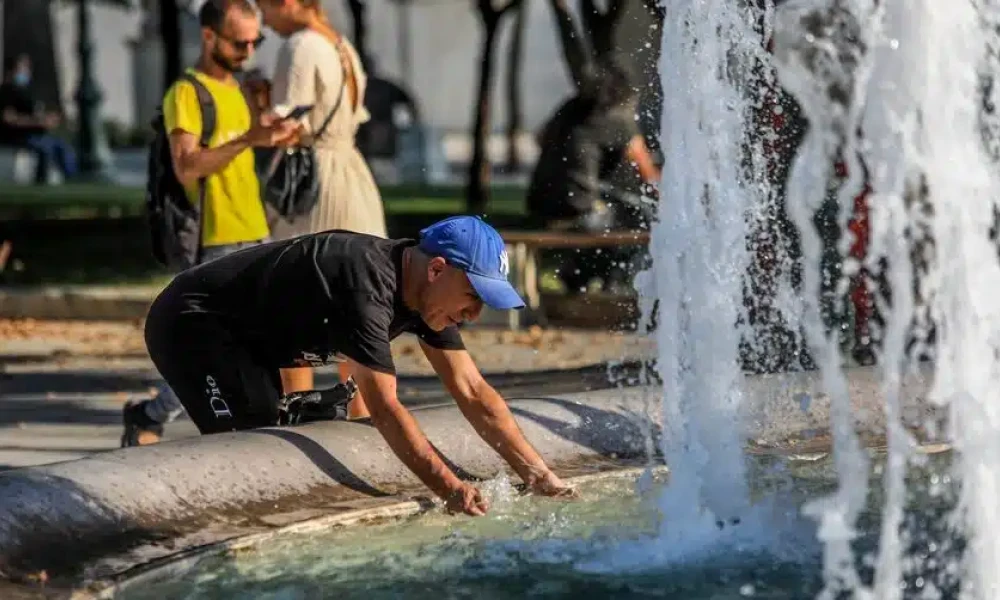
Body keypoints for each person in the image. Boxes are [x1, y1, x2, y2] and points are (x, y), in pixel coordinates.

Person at [125, 216, 576, 515]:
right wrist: (450, 489)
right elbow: (384, 409)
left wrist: (539, 475)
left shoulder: (426, 297)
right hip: (192, 324)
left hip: (249, 339)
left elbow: (473, 391)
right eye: (474, 297)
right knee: (246, 449)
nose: (474, 315)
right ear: (437, 269)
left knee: (272, 441)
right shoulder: (365, 287)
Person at [121, 0, 301, 447]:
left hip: (255, 230)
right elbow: (187, 167)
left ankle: (257, 425)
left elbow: (244, 155)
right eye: (239, 42)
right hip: (214, 240)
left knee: (264, 340)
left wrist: (271, 134)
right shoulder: (187, 93)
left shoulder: (239, 89)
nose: (248, 50)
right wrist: (248, 138)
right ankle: (151, 413)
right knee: (207, 350)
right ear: (209, 37)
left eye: (255, 41)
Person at [255, 0, 389, 415]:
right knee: (359, 300)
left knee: (293, 297)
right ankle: (363, 415)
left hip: (315, 185)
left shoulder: (299, 46)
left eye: (265, 6)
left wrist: (254, 101)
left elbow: (284, 126)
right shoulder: (342, 46)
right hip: (352, 175)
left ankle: (296, 412)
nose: (265, 19)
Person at [526, 0, 660, 293]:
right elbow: (648, 172)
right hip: (576, 208)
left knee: (606, 215)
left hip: (539, 201)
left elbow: (538, 138)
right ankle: (599, 285)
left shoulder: (572, 107)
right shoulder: (618, 117)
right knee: (632, 229)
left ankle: (577, 280)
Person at [0, 54, 77, 183]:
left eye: (26, 68)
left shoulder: (27, 92)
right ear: (11, 71)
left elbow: (36, 113)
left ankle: (71, 180)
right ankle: (41, 182)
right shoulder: (5, 93)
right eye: (22, 69)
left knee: (63, 148)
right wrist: (37, 122)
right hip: (15, 136)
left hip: (36, 135)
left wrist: (49, 119)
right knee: (45, 149)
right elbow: (9, 119)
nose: (25, 72)